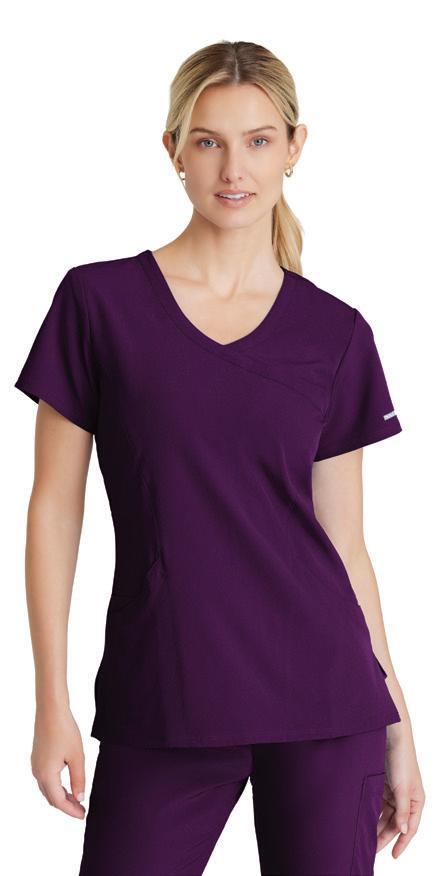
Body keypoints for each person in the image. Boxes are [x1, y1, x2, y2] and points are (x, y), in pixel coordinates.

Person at [14, 40, 425, 875]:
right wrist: (50, 700)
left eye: (258, 140)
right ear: (173, 149)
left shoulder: (336, 333)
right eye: (208, 141)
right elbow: (54, 509)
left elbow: (345, 545)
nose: (233, 168)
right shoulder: (99, 304)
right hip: (164, 697)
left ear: (294, 148)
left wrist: (400, 723)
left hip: (327, 702)